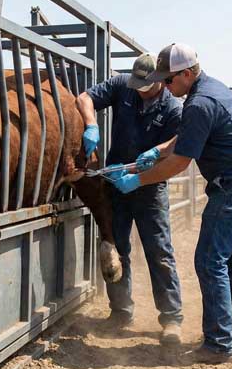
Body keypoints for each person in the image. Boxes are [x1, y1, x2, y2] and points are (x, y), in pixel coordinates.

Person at [111, 43, 232, 364]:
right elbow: (182, 140)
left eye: (168, 81)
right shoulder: (211, 90)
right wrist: (159, 150)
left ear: (186, 74)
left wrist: (138, 179)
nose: (166, 88)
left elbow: (181, 162)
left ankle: (219, 344)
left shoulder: (199, 103)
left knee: (210, 261)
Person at [76, 53, 184, 345]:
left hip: (150, 187)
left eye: (144, 85)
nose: (138, 89)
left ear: (159, 81)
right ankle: (120, 312)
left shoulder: (173, 107)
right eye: (135, 83)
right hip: (116, 183)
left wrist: (152, 157)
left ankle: (171, 318)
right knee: (115, 247)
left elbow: (177, 147)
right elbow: (84, 97)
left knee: (159, 251)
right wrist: (91, 125)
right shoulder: (123, 85)